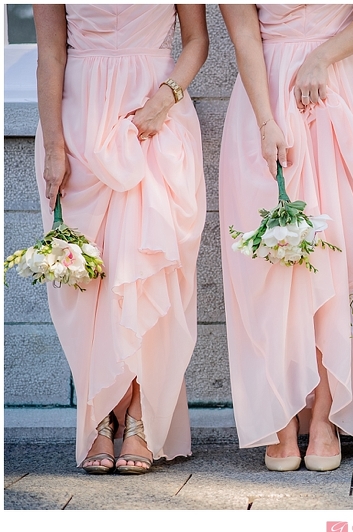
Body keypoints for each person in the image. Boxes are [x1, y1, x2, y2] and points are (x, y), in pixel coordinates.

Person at [218, 4, 353, 472]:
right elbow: (244, 36)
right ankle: (280, 414)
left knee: (342, 251)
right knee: (273, 264)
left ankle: (324, 414)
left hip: (340, 91)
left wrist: (320, 58)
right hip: (266, 93)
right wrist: (265, 120)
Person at [33, 4, 208, 474]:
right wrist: (54, 147)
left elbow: (197, 40)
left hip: (155, 119)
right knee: (90, 278)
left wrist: (164, 99)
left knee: (143, 269)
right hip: (80, 123)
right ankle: (101, 414)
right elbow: (50, 54)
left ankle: (138, 416)